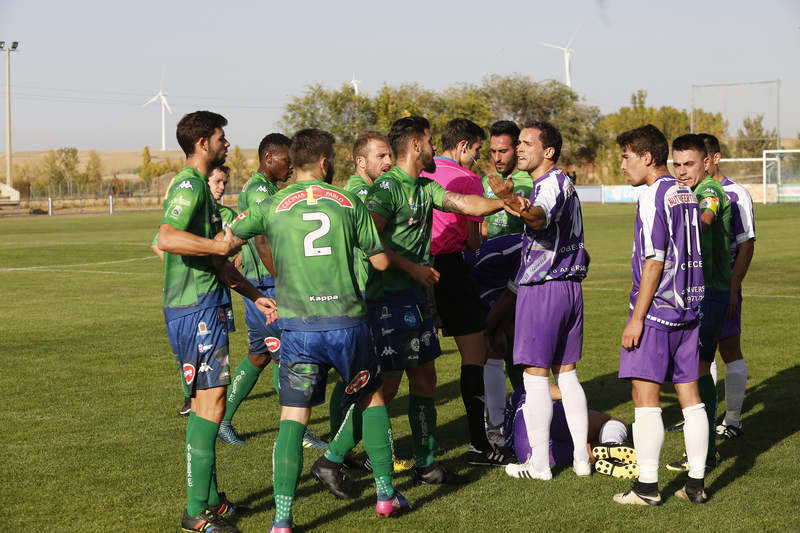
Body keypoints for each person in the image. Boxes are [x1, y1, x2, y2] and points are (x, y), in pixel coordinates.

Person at [225, 128, 409, 533]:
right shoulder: (347, 202)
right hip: (347, 325)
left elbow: (228, 242)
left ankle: (282, 519)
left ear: (297, 159)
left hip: (299, 329)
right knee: (372, 399)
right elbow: (379, 263)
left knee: (293, 416)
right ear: (326, 162)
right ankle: (384, 496)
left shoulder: (271, 205)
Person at [319, 116, 508, 491]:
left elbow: (464, 203)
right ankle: (331, 459)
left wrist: (506, 203)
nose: (436, 148)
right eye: (431, 141)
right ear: (417, 144)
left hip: (415, 300)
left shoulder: (423, 187)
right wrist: (412, 268)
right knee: (384, 389)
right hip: (385, 300)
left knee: (425, 379)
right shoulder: (387, 189)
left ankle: (426, 464)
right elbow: (366, 237)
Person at [157, 110, 277, 533]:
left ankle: (209, 500)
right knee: (210, 405)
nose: (227, 144)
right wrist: (217, 244)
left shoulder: (204, 194)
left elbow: (217, 262)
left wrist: (256, 296)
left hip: (205, 305)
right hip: (194, 310)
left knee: (209, 404)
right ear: (203, 142)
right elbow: (166, 237)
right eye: (221, 138)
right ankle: (196, 514)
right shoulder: (190, 184)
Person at [487, 120, 591, 481]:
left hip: (543, 287)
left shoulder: (549, 184)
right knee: (568, 375)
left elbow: (538, 216)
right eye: (519, 143)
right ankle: (581, 460)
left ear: (548, 151)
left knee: (534, 378)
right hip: (570, 288)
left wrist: (508, 199)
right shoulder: (563, 182)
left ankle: (540, 465)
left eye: (527, 143)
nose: (519, 148)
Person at [611, 124, 709, 506]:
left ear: (646, 157)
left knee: (644, 394)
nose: (622, 165)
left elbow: (655, 259)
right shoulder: (684, 192)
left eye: (625, 157)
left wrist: (637, 317)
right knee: (691, 396)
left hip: (658, 311)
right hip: (689, 308)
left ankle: (647, 488)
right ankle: (696, 484)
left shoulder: (653, 196)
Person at [423, 117, 511, 466]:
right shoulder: (468, 180)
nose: (476, 158)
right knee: (474, 354)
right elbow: (474, 240)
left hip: (416, 268)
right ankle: (480, 443)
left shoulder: (421, 174)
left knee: (413, 366)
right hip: (452, 268)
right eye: (476, 150)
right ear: (463, 146)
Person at [216, 133, 293, 446]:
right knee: (285, 356)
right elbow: (261, 239)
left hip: (262, 282)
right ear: (269, 159)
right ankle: (296, 427)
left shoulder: (268, 187)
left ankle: (223, 420)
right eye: (287, 160)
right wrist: (285, 281)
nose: (291, 166)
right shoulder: (261, 189)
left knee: (260, 355)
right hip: (266, 284)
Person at [152, 165, 237, 417]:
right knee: (210, 391)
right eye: (218, 181)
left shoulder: (225, 213)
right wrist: (180, 268)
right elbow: (160, 242)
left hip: (215, 294)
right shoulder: (193, 196)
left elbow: (237, 250)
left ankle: (197, 397)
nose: (221, 187)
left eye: (225, 182)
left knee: (214, 387)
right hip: (196, 300)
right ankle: (191, 396)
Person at [467, 120, 533, 445]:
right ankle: (499, 422)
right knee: (495, 343)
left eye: (503, 150)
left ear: (517, 149)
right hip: (490, 272)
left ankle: (523, 412)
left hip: (519, 271)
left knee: (517, 347)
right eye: (492, 151)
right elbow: (480, 227)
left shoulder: (523, 181)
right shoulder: (484, 182)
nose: (497, 156)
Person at [668, 133, 731, 473]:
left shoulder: (710, 191)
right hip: (696, 290)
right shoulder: (689, 191)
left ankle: (704, 456)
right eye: (676, 164)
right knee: (694, 369)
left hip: (708, 291)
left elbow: (705, 220)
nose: (681, 171)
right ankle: (702, 451)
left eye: (688, 164)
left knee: (697, 369)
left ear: (706, 163)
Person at [700, 133, 755, 439]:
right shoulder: (690, 192)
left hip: (723, 284)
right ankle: (703, 415)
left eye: (704, 159)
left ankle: (732, 419)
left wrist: (733, 286)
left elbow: (746, 244)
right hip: (695, 286)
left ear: (715, 158)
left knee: (729, 347)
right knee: (698, 352)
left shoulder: (736, 193)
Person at [505, 384, 636, 478]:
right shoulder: (524, 389)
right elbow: (567, 396)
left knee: (587, 447)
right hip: (547, 419)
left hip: (526, 453)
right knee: (614, 422)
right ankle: (612, 443)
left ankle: (609, 453)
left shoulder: (509, 424)